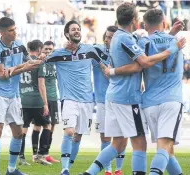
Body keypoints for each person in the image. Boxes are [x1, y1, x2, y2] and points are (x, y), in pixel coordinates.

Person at [79, 2, 185, 175]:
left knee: (118, 144)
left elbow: (152, 44)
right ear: (135, 20)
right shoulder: (128, 38)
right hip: (129, 98)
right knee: (143, 144)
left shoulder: (132, 39)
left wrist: (170, 34)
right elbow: (141, 64)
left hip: (118, 96)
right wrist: (172, 46)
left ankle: (89, 172)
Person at [45, 20, 106, 175]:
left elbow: (105, 64)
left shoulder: (90, 50)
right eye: (73, 29)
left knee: (78, 136)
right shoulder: (59, 53)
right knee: (69, 132)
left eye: (78, 29)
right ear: (67, 34)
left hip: (87, 100)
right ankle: (64, 169)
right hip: (69, 98)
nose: (77, 31)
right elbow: (41, 59)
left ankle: (68, 169)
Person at [0, 17, 42, 175]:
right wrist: (22, 68)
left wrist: (39, 60)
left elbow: (29, 62)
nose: (15, 33)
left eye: (15, 29)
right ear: (2, 32)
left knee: (18, 133)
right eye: (11, 30)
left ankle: (11, 169)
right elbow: (1, 75)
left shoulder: (20, 45)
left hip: (15, 95)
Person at [139, 9, 184, 175]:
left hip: (149, 103)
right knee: (165, 147)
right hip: (171, 100)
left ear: (144, 25)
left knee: (167, 150)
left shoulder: (143, 43)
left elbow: (156, 48)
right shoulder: (176, 41)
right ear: (163, 23)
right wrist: (170, 33)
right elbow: (166, 44)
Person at [92, 26, 125, 175]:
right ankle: (108, 170)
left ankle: (118, 169)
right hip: (101, 99)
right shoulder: (96, 50)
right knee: (104, 136)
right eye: (106, 36)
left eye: (111, 37)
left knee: (121, 135)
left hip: (120, 98)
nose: (107, 39)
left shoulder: (122, 53)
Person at [18, 40, 52, 166]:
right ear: (39, 49)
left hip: (23, 100)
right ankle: (40, 155)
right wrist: (46, 104)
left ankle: (21, 157)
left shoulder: (22, 62)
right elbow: (41, 84)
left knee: (24, 128)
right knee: (47, 125)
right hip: (36, 101)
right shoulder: (39, 63)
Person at [32, 41, 60, 163]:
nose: (48, 51)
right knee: (39, 125)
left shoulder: (56, 62)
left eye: (50, 49)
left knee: (52, 125)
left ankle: (46, 153)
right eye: (46, 49)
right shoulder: (40, 62)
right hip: (42, 99)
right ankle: (36, 154)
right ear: (42, 50)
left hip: (54, 98)